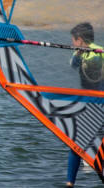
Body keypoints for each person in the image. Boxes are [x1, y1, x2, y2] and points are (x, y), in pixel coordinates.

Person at [66, 22, 103, 187]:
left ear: (80, 39)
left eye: (74, 41)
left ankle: (70, 182)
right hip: (90, 103)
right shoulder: (79, 52)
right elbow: (72, 66)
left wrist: (89, 57)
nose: (73, 44)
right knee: (78, 142)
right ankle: (70, 182)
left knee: (76, 143)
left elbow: (95, 67)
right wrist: (79, 54)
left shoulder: (98, 51)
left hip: (98, 103)